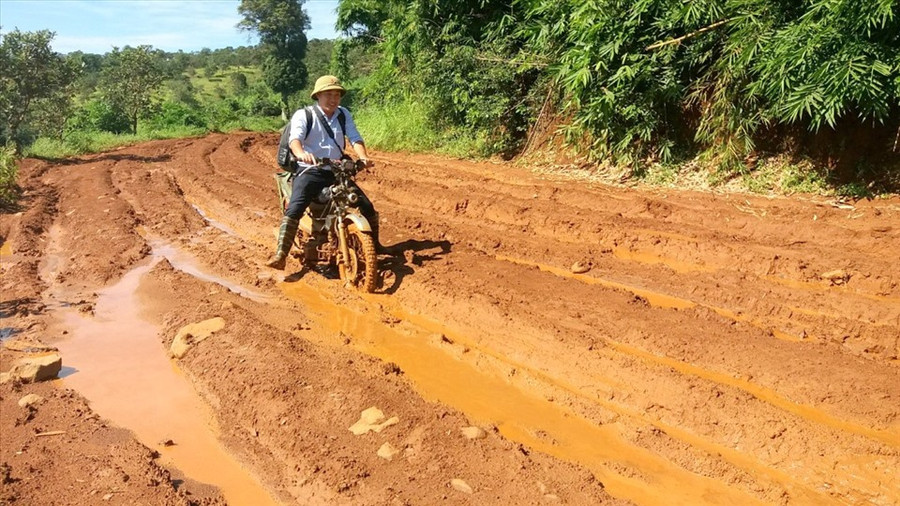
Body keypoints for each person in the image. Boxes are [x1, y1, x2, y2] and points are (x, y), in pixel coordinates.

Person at [266, 75, 380, 270]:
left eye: (337, 94)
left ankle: (376, 246)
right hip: (311, 170)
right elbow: (295, 139)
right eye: (328, 94)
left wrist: (363, 157)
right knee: (295, 208)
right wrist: (301, 153)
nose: (333, 99)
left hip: (336, 170)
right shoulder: (304, 115)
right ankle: (281, 255)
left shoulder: (343, 114)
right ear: (318, 95)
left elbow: (354, 137)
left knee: (366, 205)